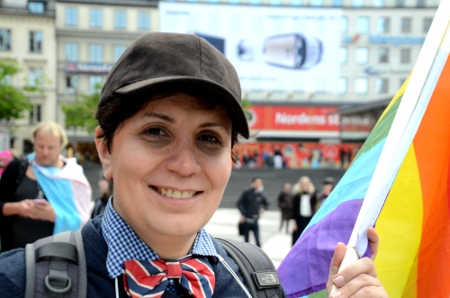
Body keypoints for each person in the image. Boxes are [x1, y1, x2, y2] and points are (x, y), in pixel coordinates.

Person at [0, 32, 387, 297]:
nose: (185, 165)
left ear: (231, 159)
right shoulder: (16, 284)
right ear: (105, 149)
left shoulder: (256, 280)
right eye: (156, 131)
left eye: (208, 139)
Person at [0, 121, 92, 252]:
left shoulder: (74, 177)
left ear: (61, 146)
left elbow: (85, 223)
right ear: (34, 142)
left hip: (57, 260)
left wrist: (55, 216)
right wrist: (16, 208)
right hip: (14, 254)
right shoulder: (17, 168)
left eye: (51, 147)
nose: (44, 152)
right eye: (40, 146)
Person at [237, 177, 269, 247]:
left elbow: (266, 203)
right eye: (257, 182)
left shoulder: (260, 194)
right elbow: (239, 203)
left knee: (257, 241)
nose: (259, 184)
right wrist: (243, 214)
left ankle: (260, 256)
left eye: (260, 183)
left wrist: (263, 208)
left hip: (255, 220)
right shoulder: (247, 192)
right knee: (246, 241)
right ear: (253, 183)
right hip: (246, 220)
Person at [291, 176, 317, 246]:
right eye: (303, 184)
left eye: (306, 184)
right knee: (299, 237)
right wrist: (293, 222)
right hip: (299, 220)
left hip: (310, 219)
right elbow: (293, 209)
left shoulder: (313, 196)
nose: (305, 186)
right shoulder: (297, 196)